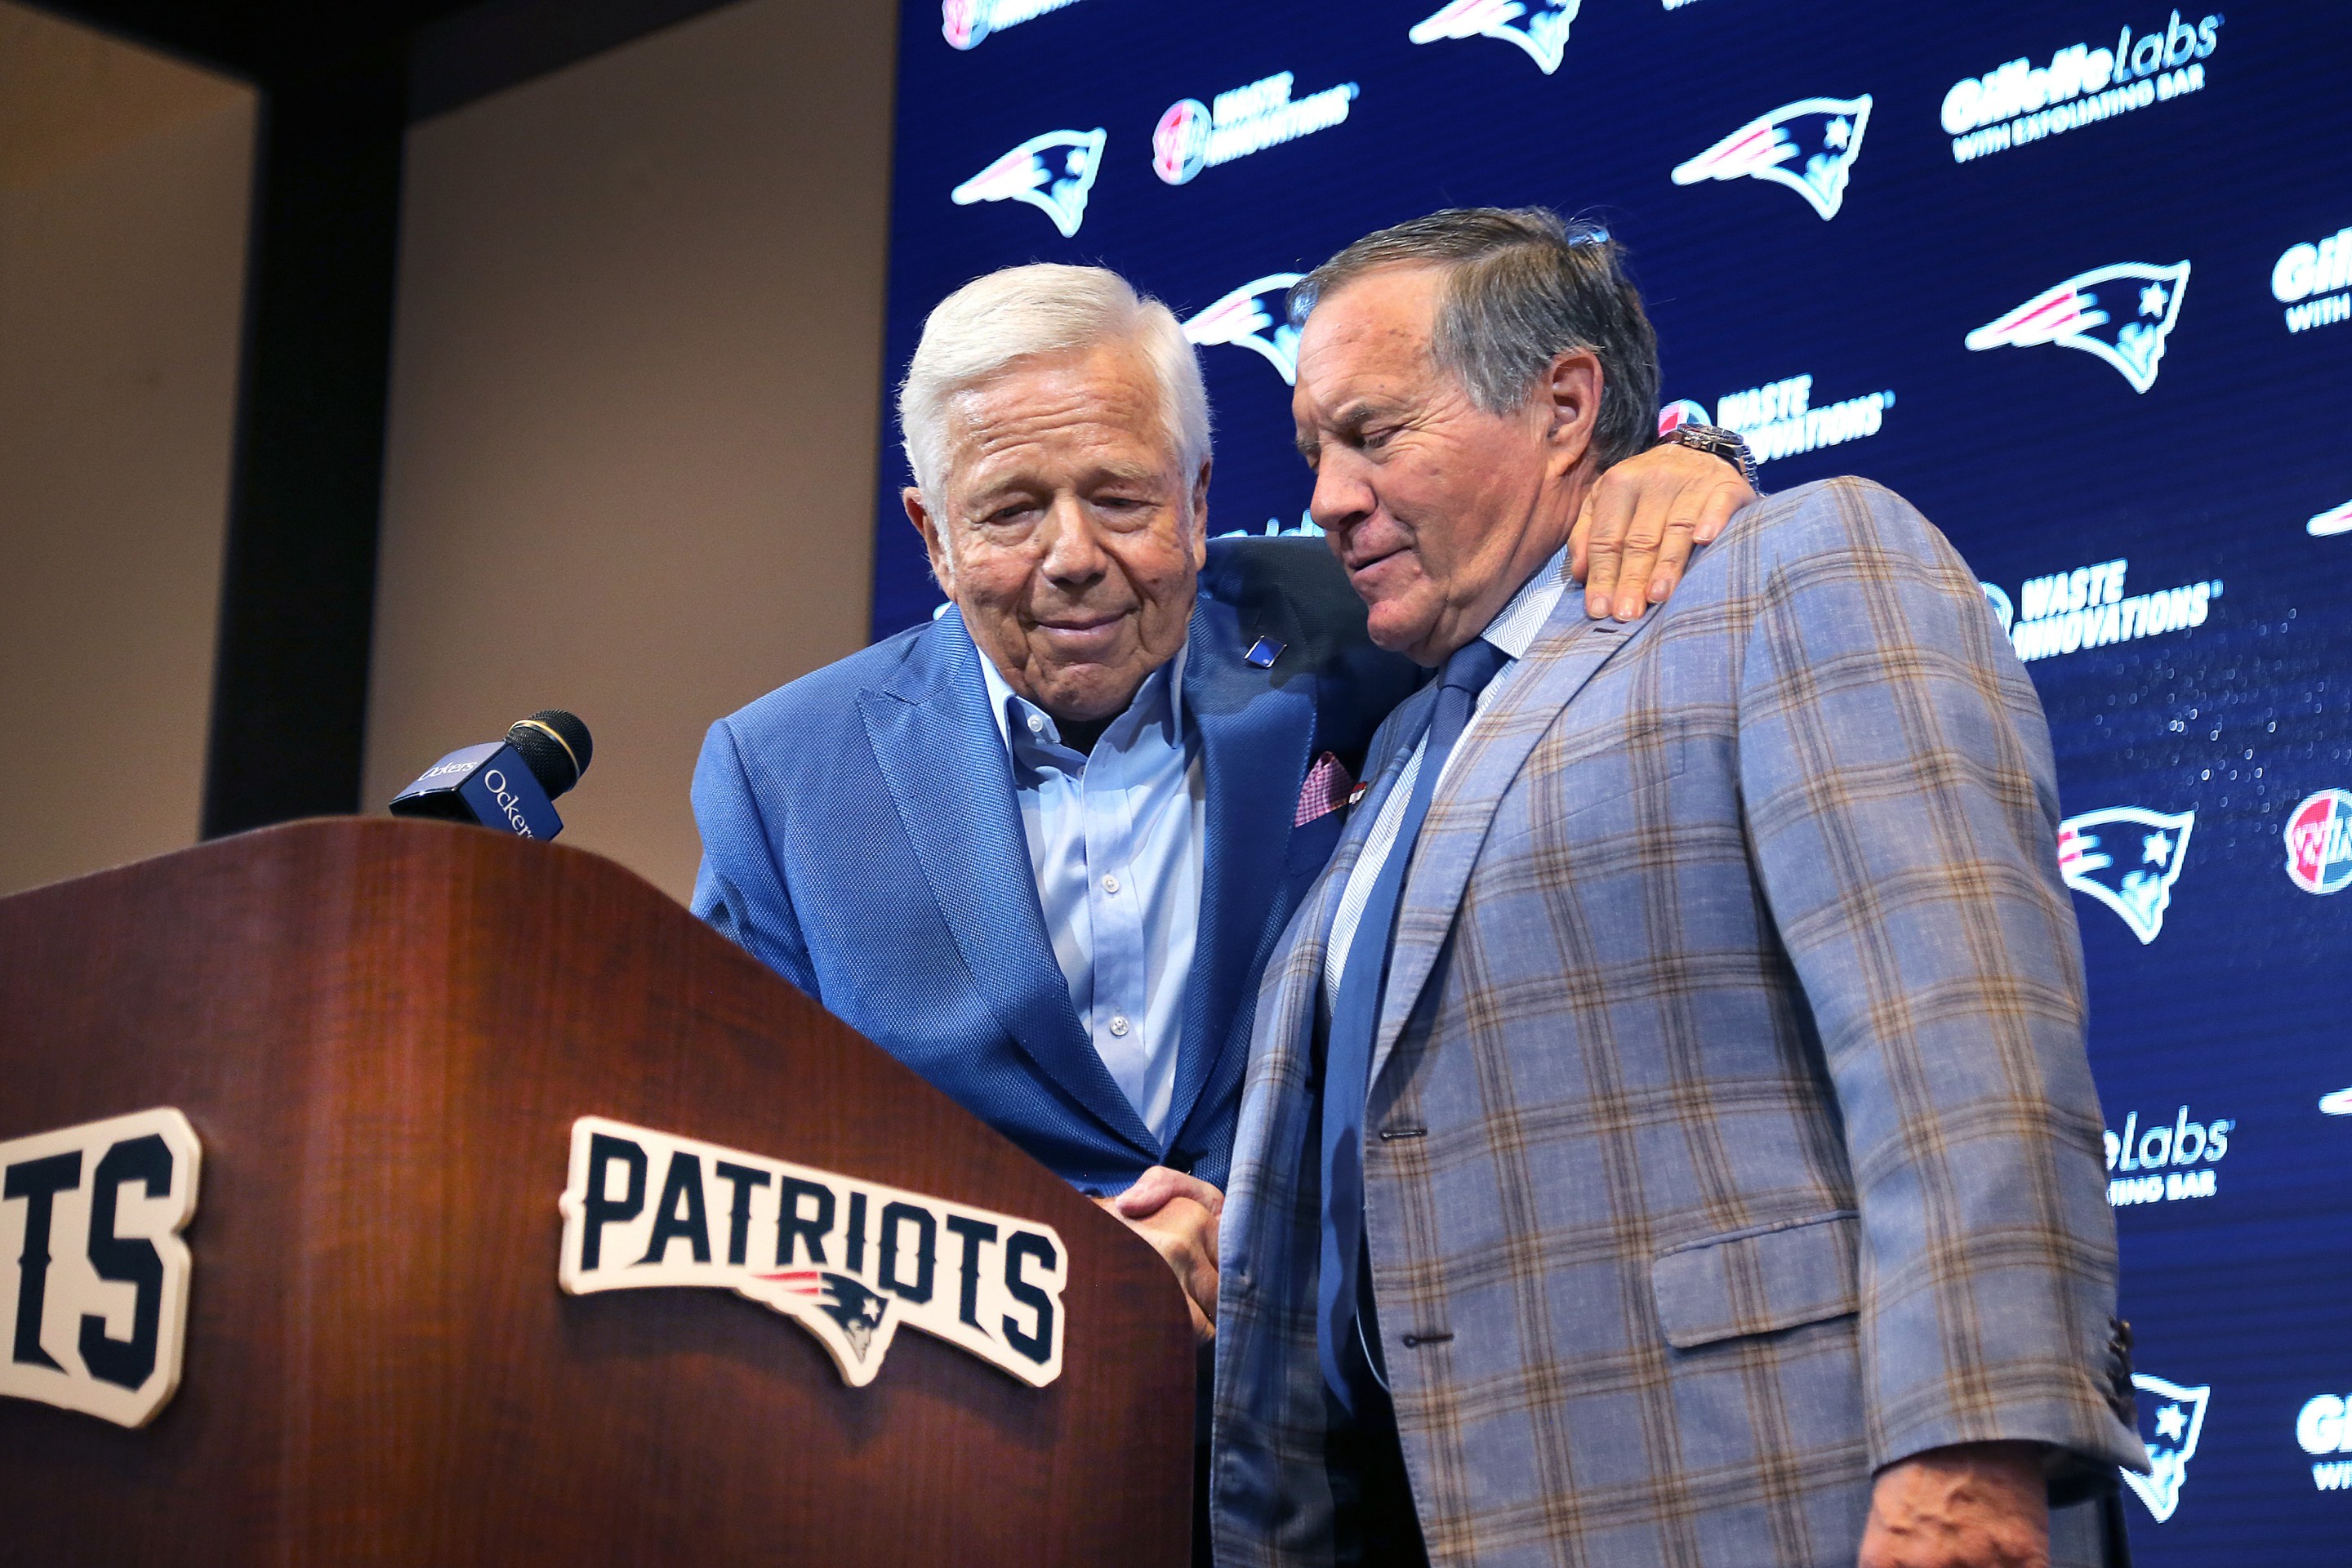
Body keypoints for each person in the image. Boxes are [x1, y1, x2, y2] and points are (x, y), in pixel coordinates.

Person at [1209, 209, 2146, 1568]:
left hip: (1780, 1503)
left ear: (1565, 402)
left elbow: (1966, 1039)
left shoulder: (1793, 570)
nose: (1329, 500)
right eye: (1314, 453)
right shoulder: (1402, 739)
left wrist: (1970, 1455)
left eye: (1374, 433)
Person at [689, 262, 1753, 1333]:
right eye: (1011, 512)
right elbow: (729, 1164)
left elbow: (1550, 538)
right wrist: (1041, 1268)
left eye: (1118, 499)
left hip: (1344, 1427)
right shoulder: (784, 774)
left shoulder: (1359, 617)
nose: (1073, 557)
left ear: (1198, 499)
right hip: (969, 1440)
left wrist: (1694, 462)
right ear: (933, 537)